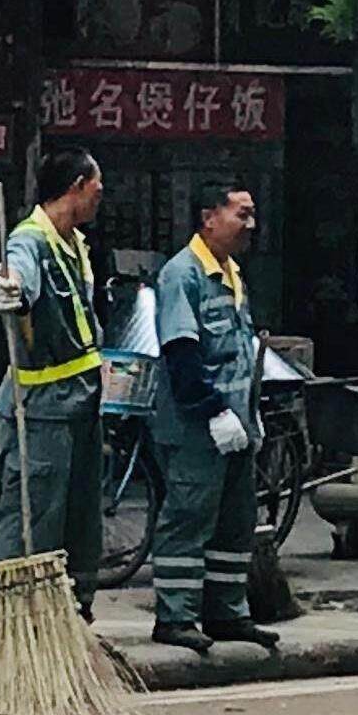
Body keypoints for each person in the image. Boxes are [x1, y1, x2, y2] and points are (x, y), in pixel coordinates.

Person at [147, 184, 278, 654]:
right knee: (187, 519)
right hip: (196, 428)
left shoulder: (232, 273)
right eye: (242, 214)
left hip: (237, 424)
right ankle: (175, 616)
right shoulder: (183, 274)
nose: (251, 224)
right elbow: (182, 355)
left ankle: (227, 613)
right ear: (209, 217)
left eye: (253, 214)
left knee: (234, 522)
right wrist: (214, 411)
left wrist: (248, 415)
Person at [0, 144, 109, 615]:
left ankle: (72, 611)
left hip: (81, 403)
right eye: (96, 189)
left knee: (80, 518)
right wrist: (9, 292)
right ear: (76, 187)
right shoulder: (30, 239)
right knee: (32, 515)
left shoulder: (74, 243)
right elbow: (19, 279)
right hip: (42, 406)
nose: (101, 198)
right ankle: (12, 617)